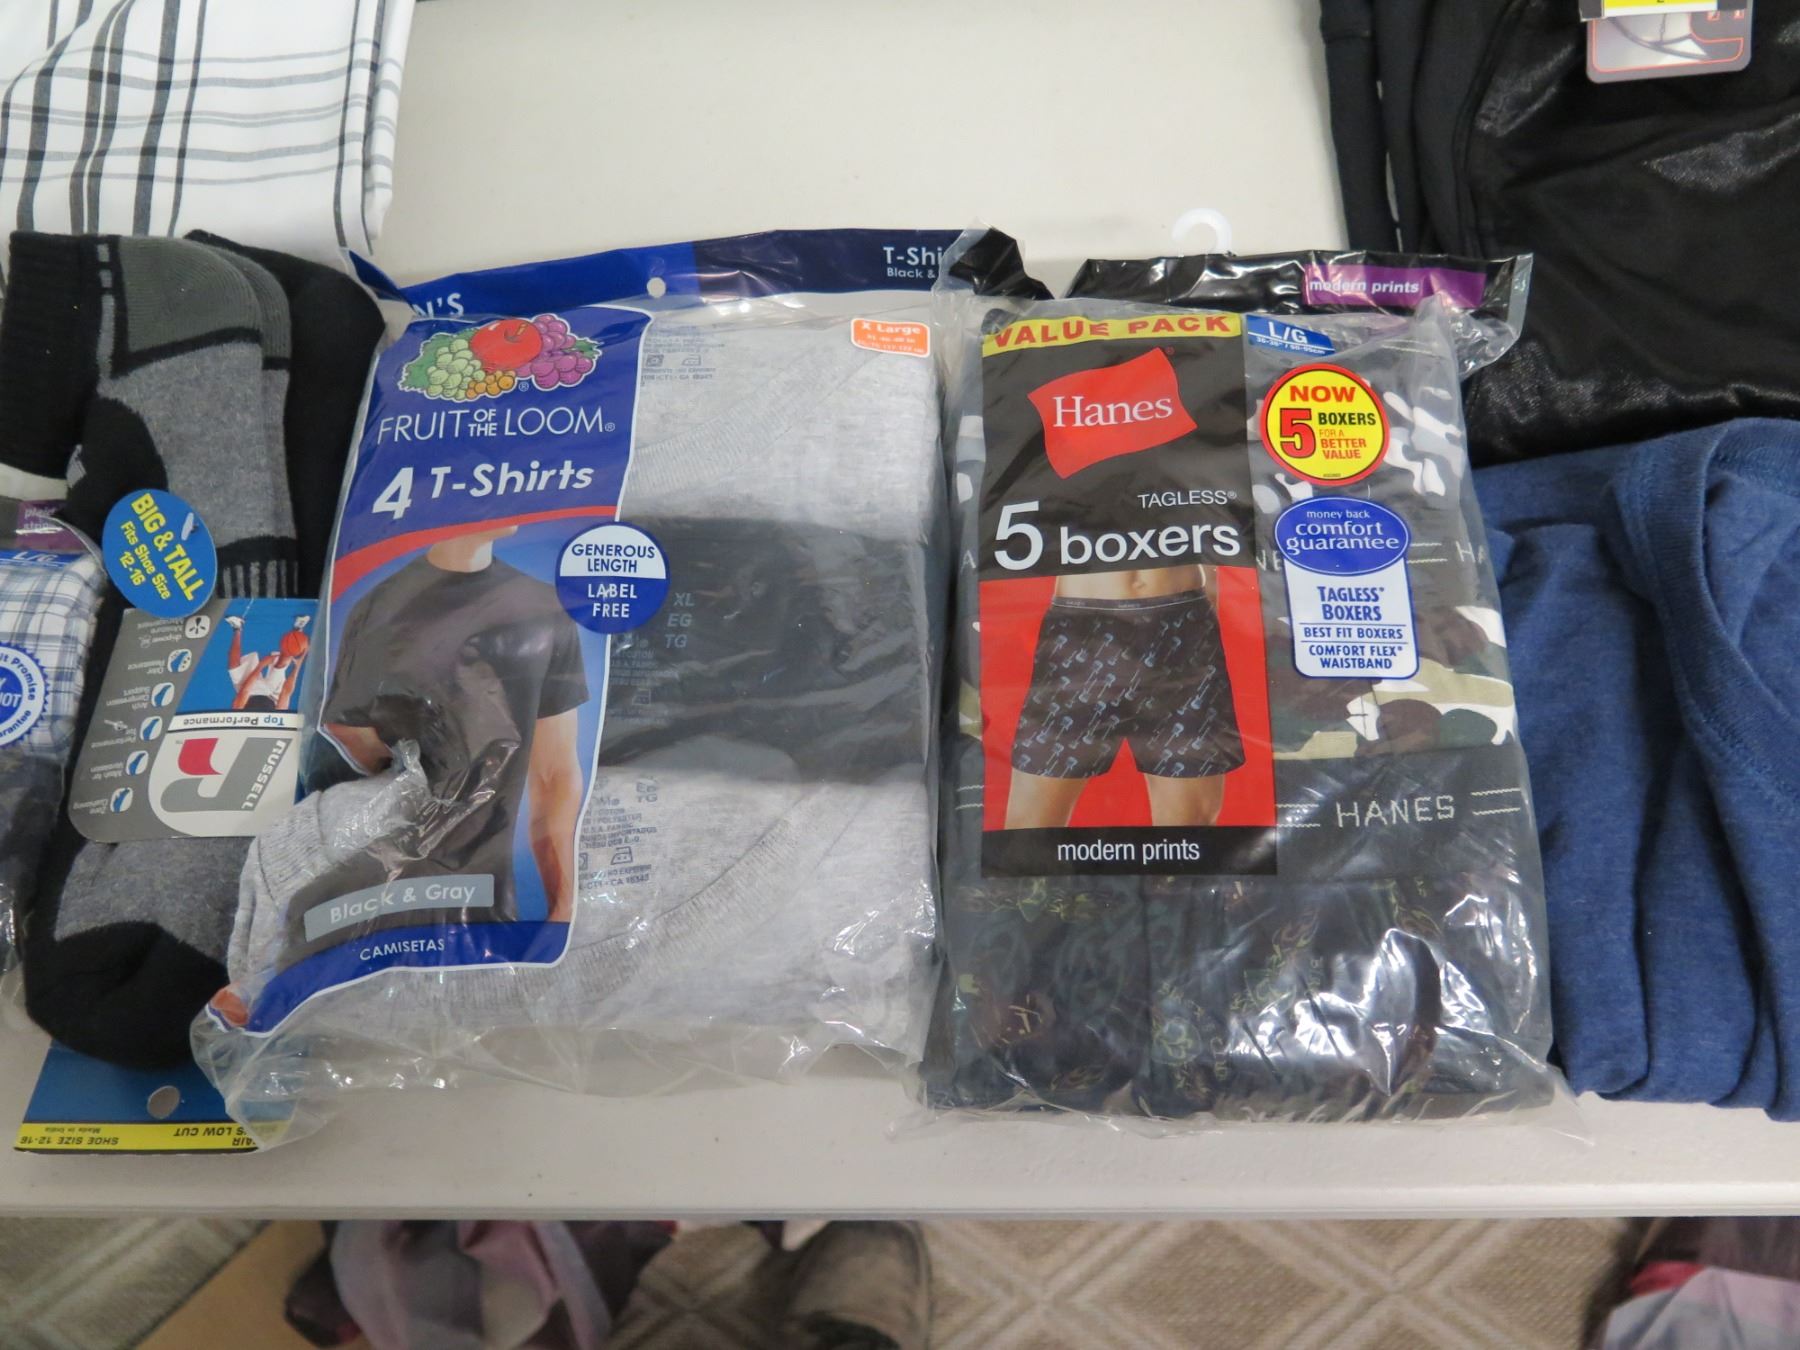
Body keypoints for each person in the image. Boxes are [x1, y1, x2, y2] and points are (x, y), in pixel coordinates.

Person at [315, 522, 588, 925]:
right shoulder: (381, 608)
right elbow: (350, 736)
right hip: (383, 897)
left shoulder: (546, 609)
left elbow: (555, 775)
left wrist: (564, 909)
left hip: (489, 904)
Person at [1005, 562, 1243, 829]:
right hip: (1084, 628)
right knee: (1030, 827)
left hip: (1183, 623)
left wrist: (1204, 632)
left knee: (1190, 826)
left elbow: (1209, 544)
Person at [224, 612, 310, 712]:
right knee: (280, 665)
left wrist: (261, 665)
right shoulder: (279, 715)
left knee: (234, 667)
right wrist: (298, 665)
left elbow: (245, 690)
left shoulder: (239, 711)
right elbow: (286, 692)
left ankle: (237, 628)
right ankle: (297, 631)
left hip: (249, 693)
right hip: (272, 695)